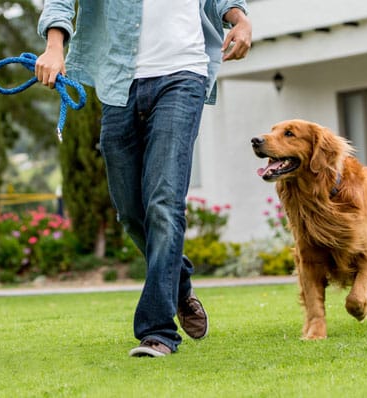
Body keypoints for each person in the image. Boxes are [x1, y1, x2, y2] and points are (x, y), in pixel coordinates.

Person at [36, 0, 251, 358]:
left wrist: (240, 20)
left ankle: (158, 331)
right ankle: (178, 285)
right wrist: (54, 46)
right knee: (132, 213)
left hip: (184, 75)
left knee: (164, 203)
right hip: (119, 81)